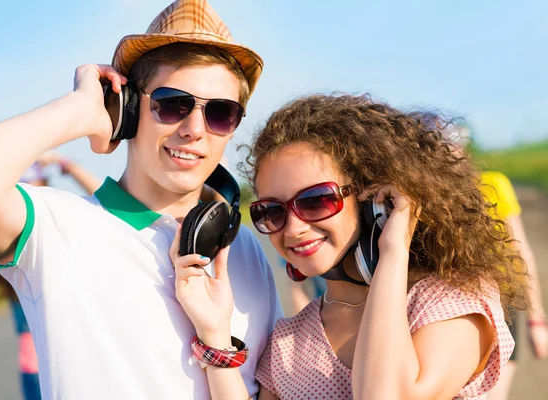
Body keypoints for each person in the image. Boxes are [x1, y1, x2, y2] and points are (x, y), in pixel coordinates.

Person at [0, 0, 281, 398]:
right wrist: (82, 109)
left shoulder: (241, 246)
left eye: (220, 113)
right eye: (173, 104)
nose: (194, 129)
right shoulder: (56, 228)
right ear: (130, 107)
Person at [171, 93, 529, 399]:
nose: (293, 228)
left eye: (315, 200)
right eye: (272, 211)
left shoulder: (449, 301)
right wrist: (215, 332)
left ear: (374, 200)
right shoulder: (287, 341)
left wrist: (392, 252)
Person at [0, 153, 100, 400]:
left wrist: (68, 165)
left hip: (78, 363)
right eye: (17, 191)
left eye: (31, 187)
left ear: (44, 189)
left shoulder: (68, 238)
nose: (25, 197)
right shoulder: (9, 254)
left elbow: (110, 214)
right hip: (35, 370)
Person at [445, 126, 548, 400]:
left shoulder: (493, 184)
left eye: (454, 144)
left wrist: (537, 321)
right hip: (456, 301)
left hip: (503, 299)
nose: (449, 152)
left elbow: (520, 249)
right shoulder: (430, 196)